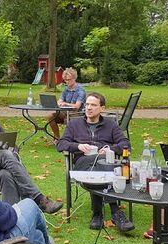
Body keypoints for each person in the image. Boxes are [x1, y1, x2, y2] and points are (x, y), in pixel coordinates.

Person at [56, 92, 133, 232]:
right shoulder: (74, 124)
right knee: (101, 167)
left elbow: (125, 144)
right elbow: (61, 144)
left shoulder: (111, 125)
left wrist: (110, 148)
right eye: (87, 104)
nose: (89, 108)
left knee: (101, 167)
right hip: (82, 162)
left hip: (104, 162)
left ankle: (97, 214)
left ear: (102, 108)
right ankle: (115, 211)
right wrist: (77, 146)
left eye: (93, 105)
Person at [47, 67, 86, 140]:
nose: (67, 82)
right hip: (65, 112)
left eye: (69, 80)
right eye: (65, 80)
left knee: (67, 118)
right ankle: (57, 138)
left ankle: (68, 139)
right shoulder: (66, 89)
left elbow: (77, 106)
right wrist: (60, 103)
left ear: (74, 78)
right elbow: (59, 101)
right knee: (50, 116)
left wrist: (65, 103)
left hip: (77, 113)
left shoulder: (80, 91)